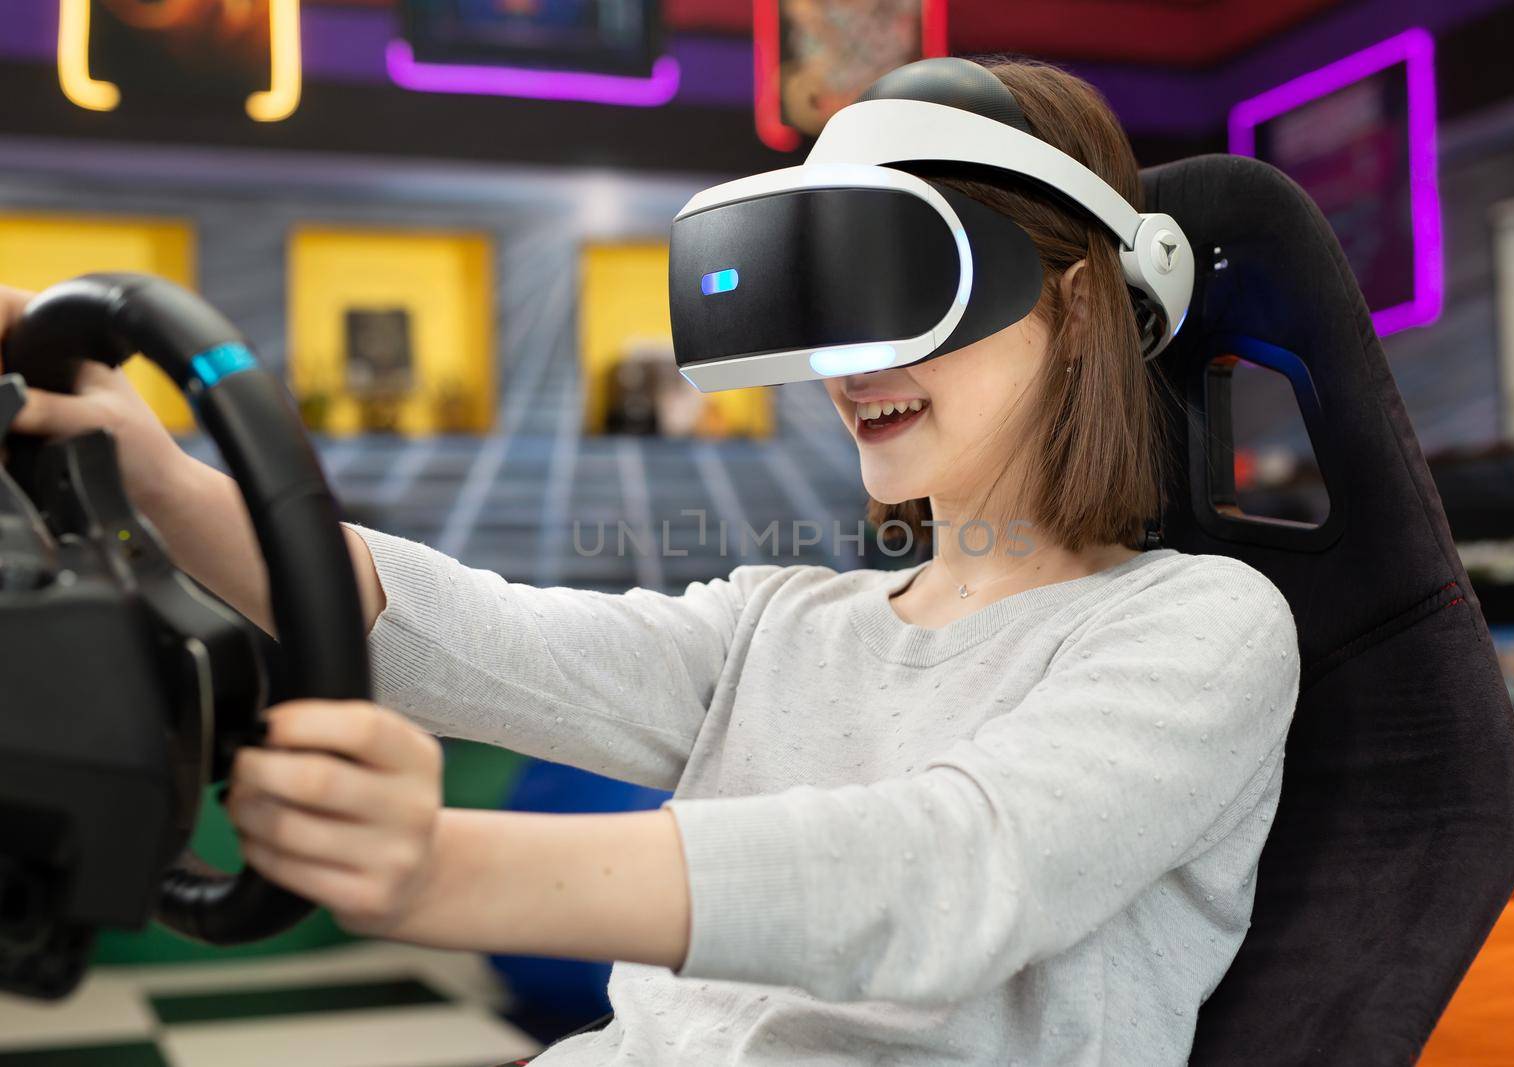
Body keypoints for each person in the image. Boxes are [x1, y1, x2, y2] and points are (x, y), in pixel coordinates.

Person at [0, 58, 1298, 1066]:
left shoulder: (1202, 626)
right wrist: (156, 474)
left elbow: (947, 875)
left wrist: (440, 868)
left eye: (904, 289)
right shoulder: (786, 622)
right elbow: (472, 637)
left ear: (1076, 311)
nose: (851, 368)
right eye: (828, 309)